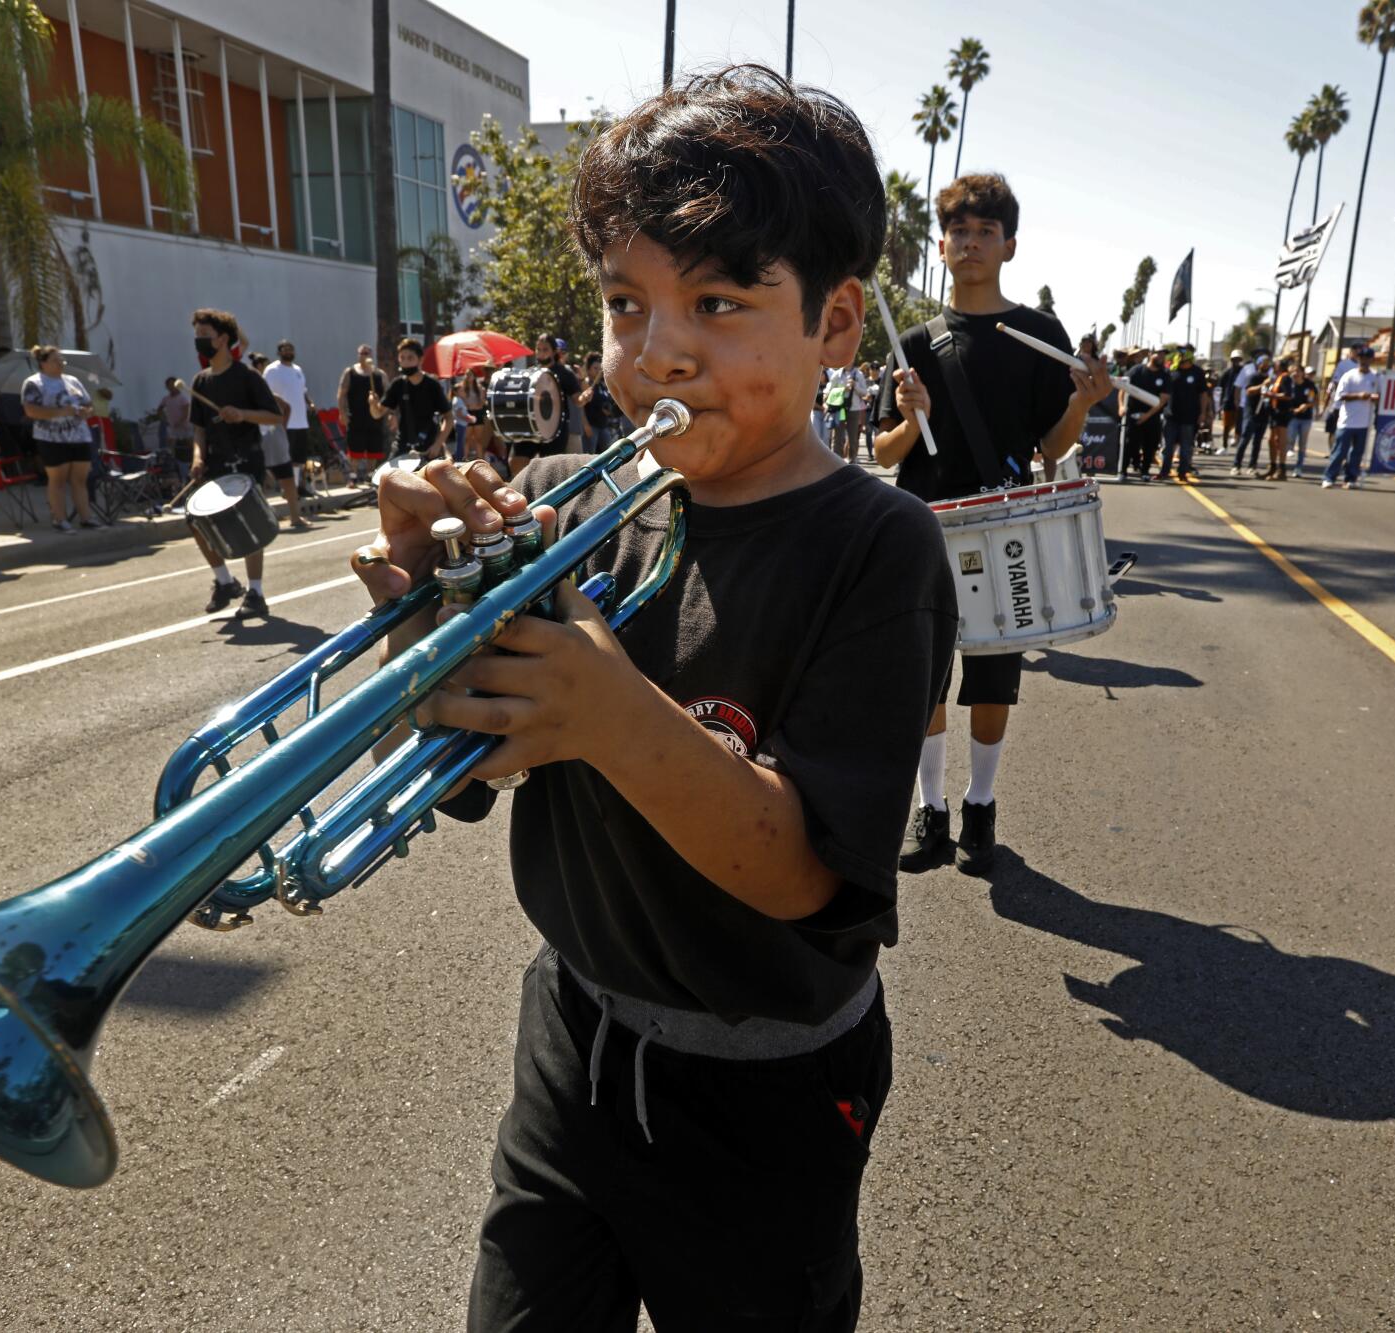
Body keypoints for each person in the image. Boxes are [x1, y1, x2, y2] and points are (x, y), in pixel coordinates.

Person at [349, 66, 954, 1332]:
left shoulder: (875, 545)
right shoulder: (567, 494)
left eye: (721, 301)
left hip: (768, 1087)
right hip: (571, 1039)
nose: (659, 348)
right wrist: (421, 618)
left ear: (837, 324)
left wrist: (612, 713)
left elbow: (807, 879)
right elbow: (471, 766)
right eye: (627, 303)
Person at [875, 169, 1111, 873]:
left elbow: (1049, 446)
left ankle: (980, 802)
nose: (970, 243)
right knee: (925, 677)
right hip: (926, 523)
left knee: (993, 673)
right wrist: (914, 416)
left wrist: (1084, 404)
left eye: (985, 232)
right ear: (942, 247)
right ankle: (933, 809)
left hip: (1004, 523)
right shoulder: (914, 340)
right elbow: (887, 452)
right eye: (959, 232)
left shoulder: (1038, 334)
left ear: (1009, 246)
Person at [188, 308, 282, 615]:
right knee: (196, 522)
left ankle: (255, 593)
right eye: (197, 335)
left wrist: (243, 415)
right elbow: (199, 429)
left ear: (223, 338)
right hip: (215, 462)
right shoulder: (200, 382)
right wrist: (198, 457)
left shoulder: (247, 376)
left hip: (246, 459)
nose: (199, 341)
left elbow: (274, 416)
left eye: (205, 335)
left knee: (248, 522)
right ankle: (225, 581)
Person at [21, 345, 100, 532]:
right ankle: (59, 518)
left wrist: (85, 412)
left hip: (79, 436)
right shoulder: (34, 383)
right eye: (56, 360)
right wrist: (61, 412)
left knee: (80, 479)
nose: (61, 364)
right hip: (52, 438)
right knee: (58, 479)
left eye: (62, 360)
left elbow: (89, 405)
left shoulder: (73, 381)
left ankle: (86, 517)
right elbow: (30, 411)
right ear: (43, 363)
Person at [249, 352, 311, 532]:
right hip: (258, 439)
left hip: (273, 436)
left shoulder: (265, 391)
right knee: (259, 481)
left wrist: (281, 425)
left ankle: (294, 517)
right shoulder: (251, 391)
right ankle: (265, 519)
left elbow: (286, 406)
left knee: (286, 477)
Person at [381, 337, 453, 467]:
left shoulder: (432, 385)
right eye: (402, 358)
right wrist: (373, 404)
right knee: (385, 480)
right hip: (403, 445)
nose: (405, 362)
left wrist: (437, 444)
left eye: (410, 358)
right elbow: (377, 412)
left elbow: (449, 418)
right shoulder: (397, 384)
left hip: (428, 446)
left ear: (420, 360)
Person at [1322, 343, 1382, 489]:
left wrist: (1375, 398)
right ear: (1358, 358)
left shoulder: (1376, 377)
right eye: (1362, 357)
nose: (1364, 360)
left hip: (1364, 422)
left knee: (1356, 454)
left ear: (1371, 360)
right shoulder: (1349, 376)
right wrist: (1359, 396)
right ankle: (1329, 477)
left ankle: (1351, 478)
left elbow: (1381, 395)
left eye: (1367, 358)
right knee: (1339, 452)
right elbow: (1340, 396)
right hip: (1347, 421)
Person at [262, 339, 316, 495]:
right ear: (279, 352)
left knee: (299, 458)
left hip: (301, 420)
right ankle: (286, 488)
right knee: (286, 457)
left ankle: (296, 487)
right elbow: (267, 393)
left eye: (290, 349)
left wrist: (310, 403)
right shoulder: (272, 370)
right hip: (285, 421)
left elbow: (303, 391)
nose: (288, 352)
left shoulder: (297, 369)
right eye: (285, 349)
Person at [337, 344, 388, 477]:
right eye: (362, 353)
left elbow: (388, 396)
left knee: (374, 449)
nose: (364, 356)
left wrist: (389, 413)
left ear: (371, 355)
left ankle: (370, 475)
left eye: (367, 353)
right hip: (355, 417)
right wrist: (342, 412)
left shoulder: (379, 374)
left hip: (375, 417)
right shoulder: (350, 372)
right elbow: (342, 394)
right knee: (355, 449)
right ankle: (352, 476)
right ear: (358, 355)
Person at [1157, 346, 1206, 481]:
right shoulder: (1171, 371)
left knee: (1186, 447)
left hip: (1189, 416)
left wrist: (1203, 413)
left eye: (1184, 360)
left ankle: (1182, 472)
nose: (1182, 362)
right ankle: (1164, 471)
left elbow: (1203, 394)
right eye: (1180, 359)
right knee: (1168, 447)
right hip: (1171, 415)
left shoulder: (1198, 373)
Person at [1121, 349, 1168, 481]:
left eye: (1163, 354)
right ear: (1150, 354)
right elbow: (1123, 388)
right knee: (1130, 444)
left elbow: (1163, 399)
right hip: (1133, 414)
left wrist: (1146, 416)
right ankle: (1123, 470)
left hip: (1152, 417)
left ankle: (1145, 471)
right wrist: (1121, 406)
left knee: (1150, 445)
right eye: (1158, 353)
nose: (1161, 356)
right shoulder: (1136, 371)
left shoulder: (1164, 375)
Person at [532, 333, 583, 455]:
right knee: (516, 461)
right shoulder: (532, 373)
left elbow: (578, 400)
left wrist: (584, 397)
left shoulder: (565, 373)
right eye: (538, 349)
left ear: (554, 351)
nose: (541, 352)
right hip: (535, 428)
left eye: (545, 349)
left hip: (556, 431)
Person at [1232, 350, 1271, 476]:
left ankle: (1252, 465)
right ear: (1258, 364)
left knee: (1258, 441)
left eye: (1267, 363)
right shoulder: (1253, 377)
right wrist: (1261, 386)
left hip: (1263, 413)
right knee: (1245, 439)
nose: (1266, 365)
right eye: (1263, 363)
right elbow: (1249, 390)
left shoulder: (1270, 379)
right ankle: (1236, 465)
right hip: (1251, 412)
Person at [1259, 357, 1296, 480]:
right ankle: (1273, 466)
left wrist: (1271, 395)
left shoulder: (1286, 378)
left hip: (1282, 413)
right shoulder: (1276, 378)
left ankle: (1282, 469)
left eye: (1276, 364)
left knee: (1280, 441)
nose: (1273, 365)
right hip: (1275, 412)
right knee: (1272, 441)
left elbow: (1288, 395)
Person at [1286, 363, 1319, 478]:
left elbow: (1314, 399)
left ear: (1302, 373)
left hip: (1305, 418)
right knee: (1289, 437)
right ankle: (1285, 457)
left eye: (1298, 371)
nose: (1296, 374)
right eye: (1293, 371)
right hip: (1292, 416)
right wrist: (1292, 409)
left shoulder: (1309, 385)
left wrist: (1306, 405)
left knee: (1302, 444)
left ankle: (1298, 467)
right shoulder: (1289, 384)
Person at [159, 376, 194, 469]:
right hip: (173, 426)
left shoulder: (182, 398)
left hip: (184, 425)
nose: (171, 387)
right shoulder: (166, 399)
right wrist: (163, 418)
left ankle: (195, 459)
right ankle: (173, 462)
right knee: (171, 443)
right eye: (169, 385)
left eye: (173, 385)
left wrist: (181, 421)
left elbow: (187, 410)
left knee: (190, 442)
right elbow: (160, 408)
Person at [1217, 350, 1243, 449]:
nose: (1236, 361)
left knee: (1239, 423)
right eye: (1235, 359)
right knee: (1226, 425)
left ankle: (1237, 439)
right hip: (1228, 402)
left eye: (1238, 359)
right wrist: (1220, 404)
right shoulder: (1227, 373)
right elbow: (1220, 389)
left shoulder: (1243, 372)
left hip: (1240, 402)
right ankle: (1224, 445)